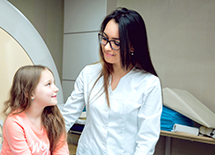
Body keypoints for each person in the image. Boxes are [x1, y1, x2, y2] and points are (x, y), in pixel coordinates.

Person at [61, 7, 162, 155]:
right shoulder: (89, 74)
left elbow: (146, 140)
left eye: (116, 42)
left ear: (132, 45)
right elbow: (68, 115)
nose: (107, 47)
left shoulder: (148, 84)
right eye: (105, 38)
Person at [0, 65, 69, 155]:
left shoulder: (53, 116)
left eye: (54, 83)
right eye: (48, 84)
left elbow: (60, 148)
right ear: (30, 93)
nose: (56, 89)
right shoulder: (14, 123)